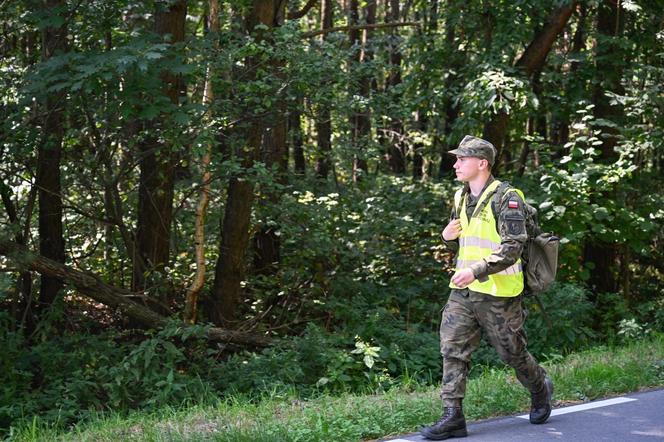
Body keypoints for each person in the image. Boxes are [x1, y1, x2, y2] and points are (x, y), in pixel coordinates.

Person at [421, 135, 553, 440]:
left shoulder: (507, 198)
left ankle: (539, 387)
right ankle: (452, 416)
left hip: (499, 293)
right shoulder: (460, 197)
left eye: (462, 159)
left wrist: (475, 270)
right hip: (464, 291)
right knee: (452, 349)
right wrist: (446, 236)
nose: (455, 164)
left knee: (512, 353)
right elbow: (463, 237)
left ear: (482, 163)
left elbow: (512, 248)